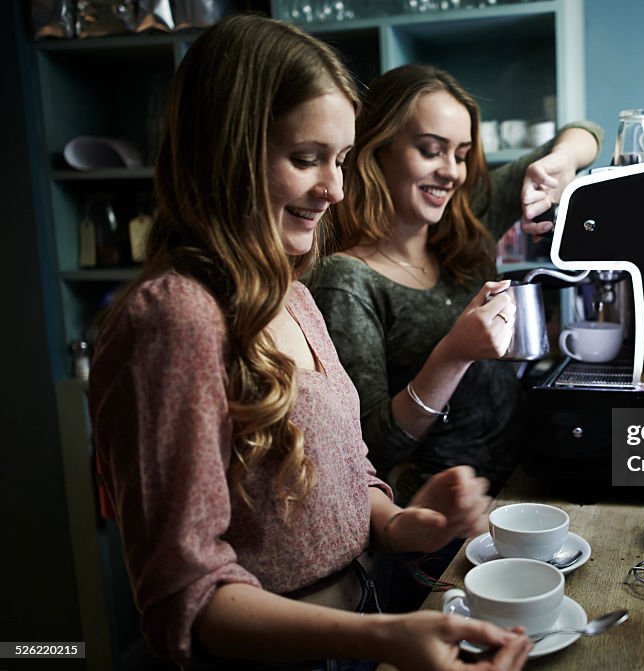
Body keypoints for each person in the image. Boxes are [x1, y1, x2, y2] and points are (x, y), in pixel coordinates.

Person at [87, 15, 531, 671]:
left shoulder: (292, 292)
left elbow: (350, 466)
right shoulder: (174, 318)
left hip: (361, 622)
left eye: (342, 160)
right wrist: (383, 639)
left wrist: (397, 521)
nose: (337, 189)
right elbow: (184, 594)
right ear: (227, 153)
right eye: (306, 160)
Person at [306, 64, 602, 507]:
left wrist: (562, 161)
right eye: (431, 150)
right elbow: (371, 451)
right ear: (377, 150)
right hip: (442, 519)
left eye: (461, 155)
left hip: (520, 485)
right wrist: (453, 354)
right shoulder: (344, 281)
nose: (452, 173)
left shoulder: (466, 220)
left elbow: (587, 133)